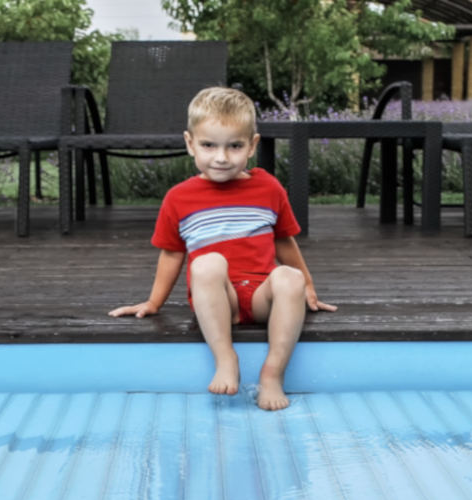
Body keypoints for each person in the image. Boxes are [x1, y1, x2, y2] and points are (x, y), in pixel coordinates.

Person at [109, 86, 336, 411]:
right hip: (220, 300)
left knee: (289, 277)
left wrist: (308, 286)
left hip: (261, 296)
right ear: (190, 144)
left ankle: (273, 373)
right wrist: (154, 301)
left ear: (252, 145)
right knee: (207, 262)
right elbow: (173, 253)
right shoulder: (179, 198)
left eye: (234, 146)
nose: (221, 157)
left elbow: (284, 240)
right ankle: (225, 356)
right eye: (208, 145)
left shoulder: (268, 188)